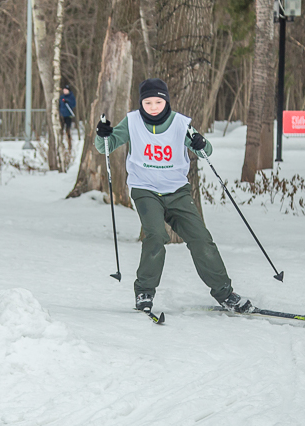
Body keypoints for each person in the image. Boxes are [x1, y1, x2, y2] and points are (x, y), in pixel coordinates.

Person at [94, 77, 252, 315]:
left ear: (165, 101)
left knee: (201, 239)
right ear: (141, 103)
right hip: (145, 190)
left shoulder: (180, 123)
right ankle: (144, 292)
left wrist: (200, 142)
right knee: (156, 236)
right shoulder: (132, 121)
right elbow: (104, 145)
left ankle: (225, 293)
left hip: (177, 192)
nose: (153, 107)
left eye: (158, 102)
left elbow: (205, 150)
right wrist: (103, 134)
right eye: (148, 103)